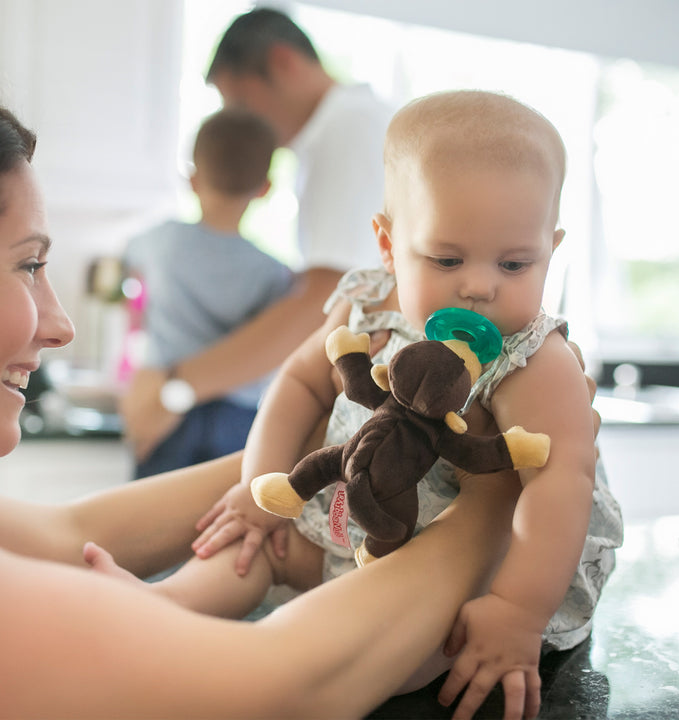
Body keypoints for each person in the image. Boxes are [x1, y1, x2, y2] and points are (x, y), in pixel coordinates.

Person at [87, 90, 622, 719]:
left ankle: (250, 672)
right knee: (255, 545)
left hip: (473, 581)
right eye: (446, 258)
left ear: (550, 250)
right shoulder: (367, 304)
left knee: (414, 650)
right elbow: (299, 383)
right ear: (389, 244)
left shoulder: (534, 358)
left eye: (516, 262)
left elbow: (561, 483)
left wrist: (516, 611)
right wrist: (259, 487)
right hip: (347, 528)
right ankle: (166, 614)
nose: (481, 285)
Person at [121, 7, 393, 464]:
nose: (240, 124)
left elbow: (319, 304)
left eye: (241, 102)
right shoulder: (341, 130)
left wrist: (174, 390)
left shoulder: (346, 129)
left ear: (283, 62)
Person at [122, 108, 293, 478]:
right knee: (218, 522)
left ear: (194, 180)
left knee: (150, 521)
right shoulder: (272, 271)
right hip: (239, 416)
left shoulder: (160, 242)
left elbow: (127, 271)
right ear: (264, 188)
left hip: (163, 405)